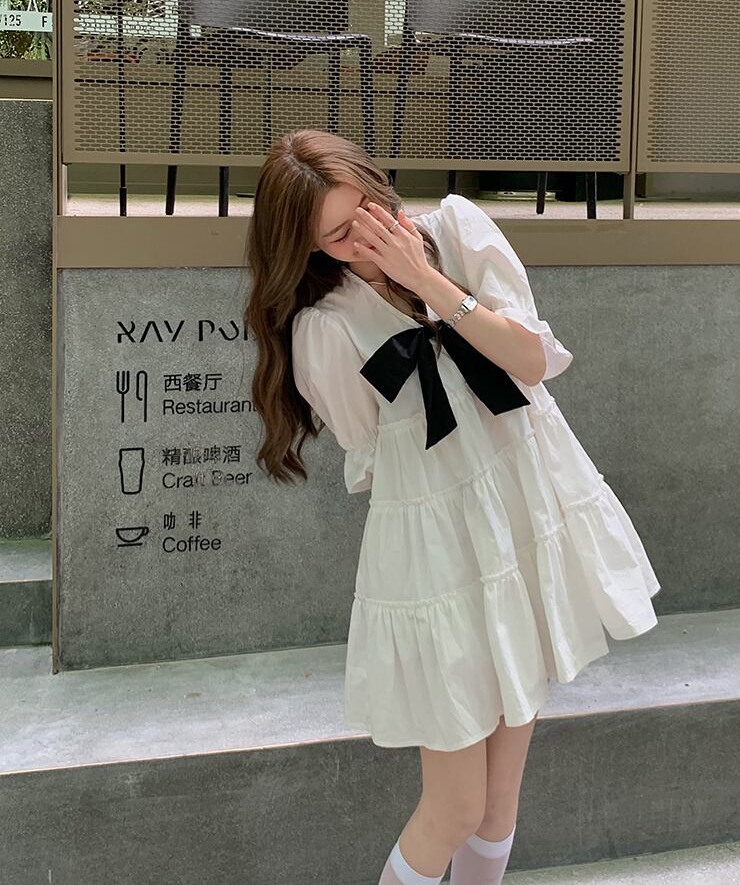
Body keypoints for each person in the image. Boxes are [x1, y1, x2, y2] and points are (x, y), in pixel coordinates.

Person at [244, 128, 661, 885]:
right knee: (455, 805)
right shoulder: (326, 328)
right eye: (337, 235)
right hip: (438, 558)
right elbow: (374, 456)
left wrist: (427, 282)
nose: (363, 237)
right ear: (306, 248)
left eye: (365, 211)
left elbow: (531, 361)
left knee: (498, 804)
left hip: (522, 522)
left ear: (378, 184)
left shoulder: (459, 231)